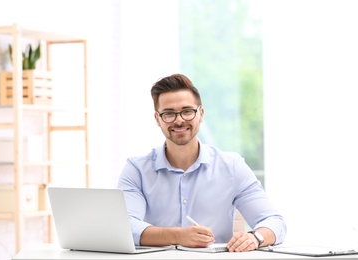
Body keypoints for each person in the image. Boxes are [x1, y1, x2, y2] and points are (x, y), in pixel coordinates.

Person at [117, 73, 286, 252]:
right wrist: (178, 236)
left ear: (201, 114)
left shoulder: (231, 166)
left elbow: (275, 222)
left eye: (187, 111)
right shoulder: (136, 169)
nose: (179, 120)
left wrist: (255, 237)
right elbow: (125, 227)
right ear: (157, 119)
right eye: (168, 113)